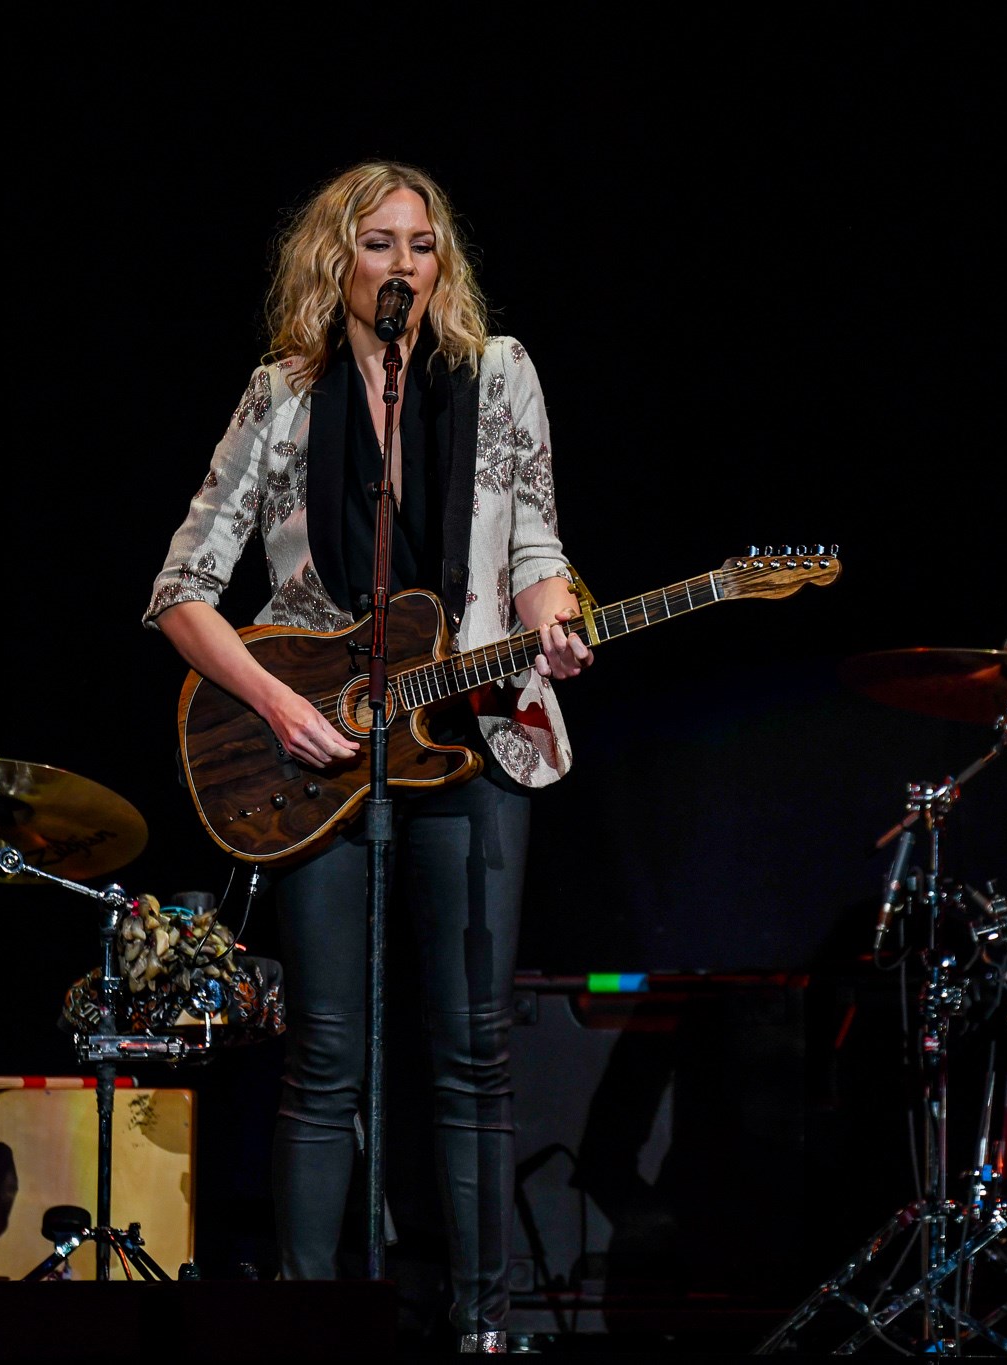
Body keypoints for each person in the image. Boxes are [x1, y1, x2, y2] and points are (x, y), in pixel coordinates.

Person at [144, 161, 593, 1354]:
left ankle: (481, 1325)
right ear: (334, 260)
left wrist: (553, 609)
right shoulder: (282, 396)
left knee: (472, 1054)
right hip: (318, 746)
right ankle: (306, 1316)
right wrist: (274, 706)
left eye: (424, 244)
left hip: (477, 729)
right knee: (325, 1051)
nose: (406, 264)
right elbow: (182, 591)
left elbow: (536, 533)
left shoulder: (499, 376)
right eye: (380, 242)